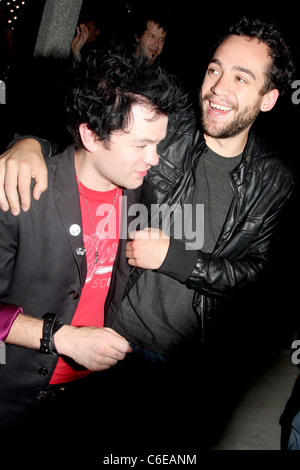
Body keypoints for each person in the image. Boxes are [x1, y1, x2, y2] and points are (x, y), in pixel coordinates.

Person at [0, 17, 295, 450]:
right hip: (116, 340)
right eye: (214, 69)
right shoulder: (165, 133)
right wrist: (28, 143)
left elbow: (261, 278)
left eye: (241, 77)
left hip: (190, 362)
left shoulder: (275, 180)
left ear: (268, 98)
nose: (218, 87)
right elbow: (95, 135)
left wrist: (178, 259)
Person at [0, 51, 184, 432]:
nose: (154, 159)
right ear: (90, 134)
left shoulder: (139, 195)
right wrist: (61, 338)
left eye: (158, 144)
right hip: (14, 393)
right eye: (140, 145)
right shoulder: (21, 194)